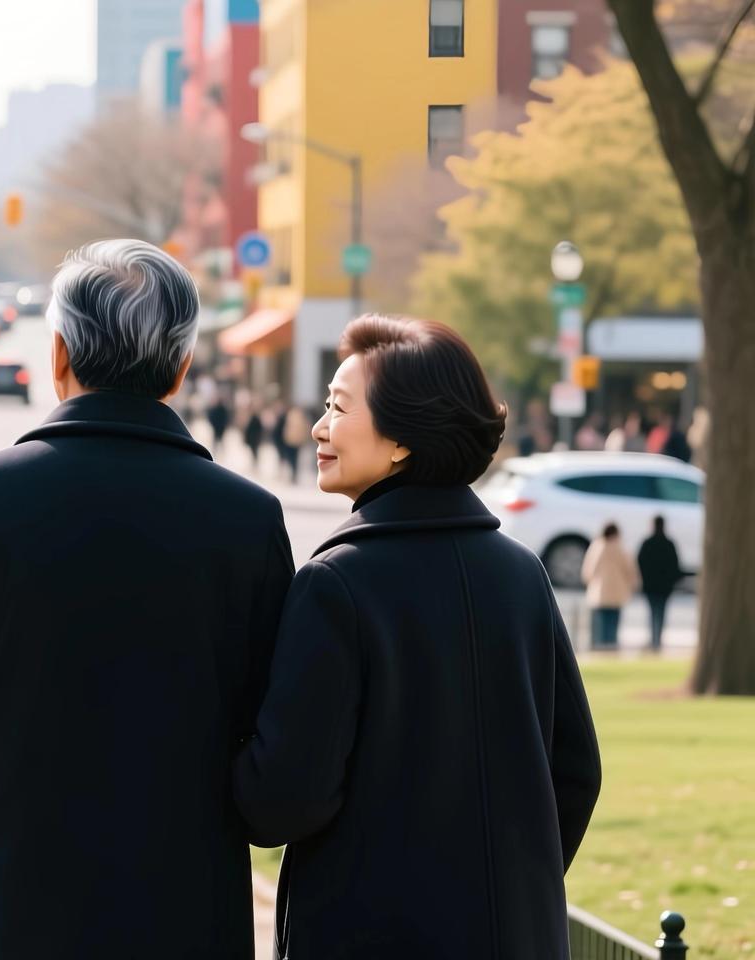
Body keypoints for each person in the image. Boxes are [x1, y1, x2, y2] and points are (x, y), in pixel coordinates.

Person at [0, 239, 294, 959]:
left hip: (7, 906)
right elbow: (277, 732)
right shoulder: (247, 520)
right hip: (187, 910)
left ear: (58, 355)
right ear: (182, 365)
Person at [233, 315, 601, 959]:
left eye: (338, 409)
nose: (318, 427)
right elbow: (576, 773)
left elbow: (283, 801)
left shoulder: (336, 584)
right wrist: (515, 887)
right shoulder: (521, 575)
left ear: (401, 439)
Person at [582, 523, 640, 649]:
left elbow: (588, 571)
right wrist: (633, 585)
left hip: (599, 594)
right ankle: (610, 649)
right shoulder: (622, 548)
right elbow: (631, 571)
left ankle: (598, 649)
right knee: (612, 627)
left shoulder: (597, 547)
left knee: (599, 628)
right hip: (617, 594)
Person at [638, 516, 682, 652]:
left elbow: (640, 562)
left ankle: (654, 640)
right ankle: (657, 640)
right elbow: (675, 565)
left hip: (651, 586)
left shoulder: (647, 543)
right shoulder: (669, 544)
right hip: (664, 587)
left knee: (652, 612)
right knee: (661, 613)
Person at [282, 404, 311, 482]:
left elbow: (287, 428)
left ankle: (294, 473)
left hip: (294, 441)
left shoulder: (294, 416)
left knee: (293, 458)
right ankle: (294, 473)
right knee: (293, 458)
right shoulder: (297, 417)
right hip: (293, 440)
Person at [243, 405, 265, 470]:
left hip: (255, 439)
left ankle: (255, 464)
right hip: (252, 439)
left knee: (255, 452)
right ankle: (254, 463)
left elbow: (258, 430)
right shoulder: (251, 418)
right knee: (253, 451)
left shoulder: (256, 419)